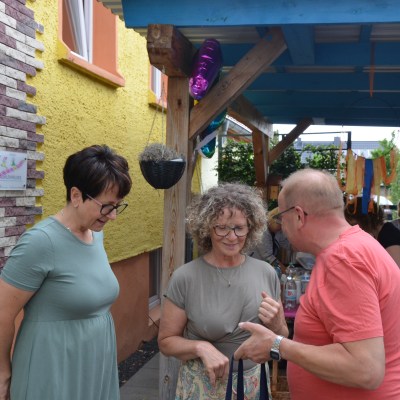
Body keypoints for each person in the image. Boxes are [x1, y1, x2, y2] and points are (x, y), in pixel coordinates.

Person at [235, 169, 400, 400]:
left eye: (282, 217)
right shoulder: (357, 245)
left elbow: (366, 369)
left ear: (299, 216)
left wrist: (277, 345)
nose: (282, 226)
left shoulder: (342, 261)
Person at [0, 144, 132, 400]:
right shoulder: (40, 242)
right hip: (51, 370)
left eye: (118, 206)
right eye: (107, 206)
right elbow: (3, 313)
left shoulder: (95, 234)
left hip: (94, 365)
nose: (113, 216)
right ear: (76, 195)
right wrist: (3, 372)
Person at [158, 183, 288, 400]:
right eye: (222, 227)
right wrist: (201, 347)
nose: (232, 236)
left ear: (251, 227)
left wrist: (276, 325)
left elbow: (282, 337)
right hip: (203, 385)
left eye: (239, 228)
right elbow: (166, 342)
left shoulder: (266, 273)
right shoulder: (185, 277)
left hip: (254, 385)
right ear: (207, 227)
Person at [344, 196, 400, 267]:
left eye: (353, 224)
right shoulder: (382, 233)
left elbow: (396, 268)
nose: (352, 228)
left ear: (364, 219)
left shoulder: (389, 235)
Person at [249, 207, 291, 271]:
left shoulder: (278, 231)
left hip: (263, 267)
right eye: (280, 224)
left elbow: (287, 246)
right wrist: (286, 271)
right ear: (274, 219)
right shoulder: (262, 230)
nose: (282, 228)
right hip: (254, 267)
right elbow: (268, 257)